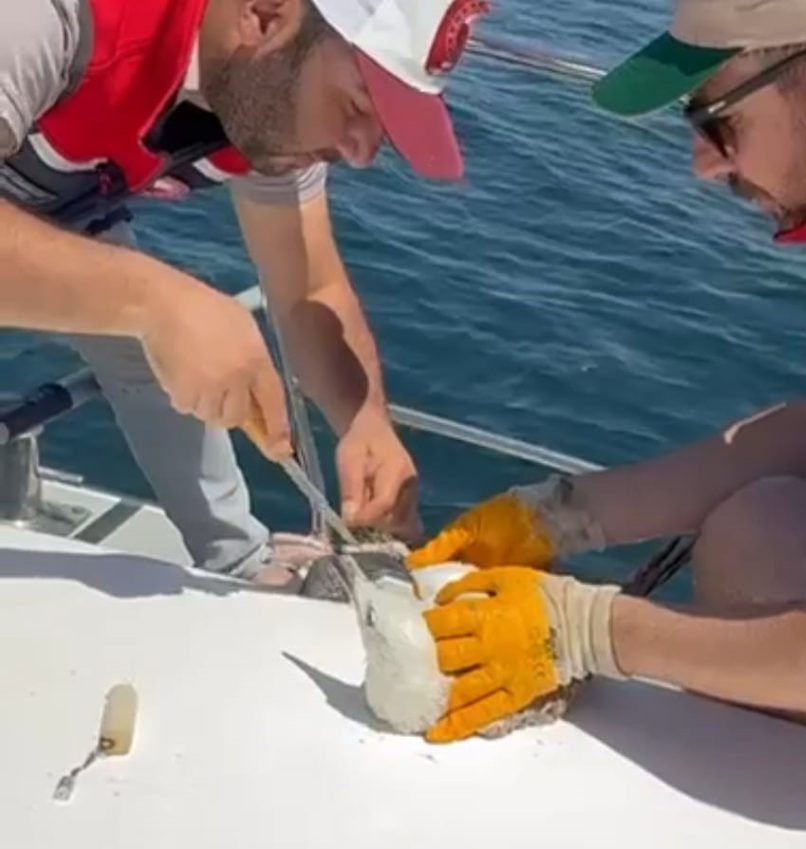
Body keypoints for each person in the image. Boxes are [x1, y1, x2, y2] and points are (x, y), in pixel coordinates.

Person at [407, 0, 806, 844]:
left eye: (720, 121)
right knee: (761, 531)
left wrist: (584, 631)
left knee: (763, 547)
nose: (702, 164)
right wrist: (560, 515)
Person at [0, 0, 488, 586]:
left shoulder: (266, 90)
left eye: (380, 126)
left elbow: (309, 286)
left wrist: (365, 423)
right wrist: (155, 304)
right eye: (357, 105)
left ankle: (238, 562)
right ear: (263, 16)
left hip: (50, 200)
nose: (360, 154)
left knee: (149, 338)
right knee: (155, 312)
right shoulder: (39, 19)